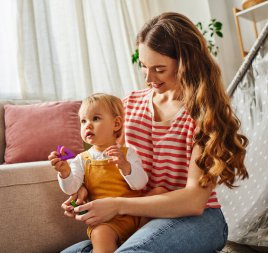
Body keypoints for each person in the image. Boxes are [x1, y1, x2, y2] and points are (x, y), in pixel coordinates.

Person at [60, 12, 249, 253]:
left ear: (185, 63)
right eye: (143, 67)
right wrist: (85, 191)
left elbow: (194, 200)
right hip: (139, 218)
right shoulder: (128, 105)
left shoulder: (205, 114)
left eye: (159, 69)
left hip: (199, 219)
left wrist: (117, 205)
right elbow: (112, 163)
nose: (149, 78)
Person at [49, 93, 163, 252]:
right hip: (106, 221)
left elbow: (140, 184)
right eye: (83, 121)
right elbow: (71, 188)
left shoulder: (127, 153)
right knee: (100, 234)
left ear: (116, 124)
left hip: (137, 213)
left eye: (95, 118)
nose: (87, 125)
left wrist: (125, 166)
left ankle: (137, 238)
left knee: (160, 192)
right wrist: (65, 173)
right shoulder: (81, 159)